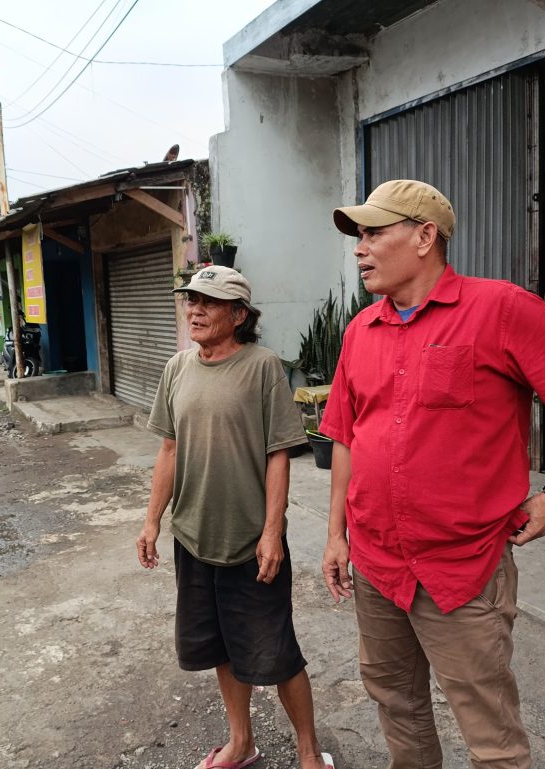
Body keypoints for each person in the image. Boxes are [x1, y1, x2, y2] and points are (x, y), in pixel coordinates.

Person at [320, 180, 545, 769]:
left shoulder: (499, 309)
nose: (360, 247)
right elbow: (346, 436)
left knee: (489, 730)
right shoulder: (361, 330)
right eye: (359, 235)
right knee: (395, 701)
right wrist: (335, 534)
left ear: (425, 236)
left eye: (375, 232)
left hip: (461, 568)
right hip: (378, 563)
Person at [137, 265, 334, 769]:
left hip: (251, 540)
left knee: (277, 651)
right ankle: (241, 742)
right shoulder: (178, 368)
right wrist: (152, 521)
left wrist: (273, 532)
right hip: (195, 536)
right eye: (191, 300)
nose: (194, 310)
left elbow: (279, 454)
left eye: (208, 302)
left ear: (239, 314)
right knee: (220, 645)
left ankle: (310, 752)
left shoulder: (263, 366)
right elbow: (169, 448)